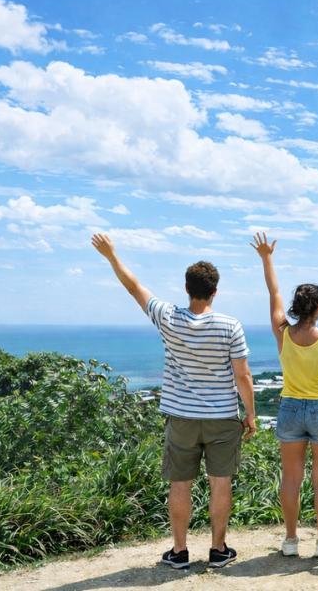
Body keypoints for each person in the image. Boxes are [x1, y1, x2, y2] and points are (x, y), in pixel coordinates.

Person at [91, 233, 256, 570]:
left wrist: (112, 256)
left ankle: (179, 552)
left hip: (180, 417)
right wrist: (250, 414)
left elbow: (134, 287)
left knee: (180, 485)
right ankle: (218, 549)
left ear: (186, 288)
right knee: (220, 483)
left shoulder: (167, 317)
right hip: (223, 418)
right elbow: (243, 376)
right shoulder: (230, 326)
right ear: (215, 291)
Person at [251, 232, 318, 558]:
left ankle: (290, 540)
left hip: (290, 408)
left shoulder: (283, 333)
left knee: (291, 477)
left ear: (297, 307)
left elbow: (274, 292)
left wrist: (267, 258)